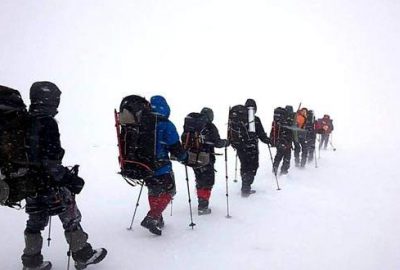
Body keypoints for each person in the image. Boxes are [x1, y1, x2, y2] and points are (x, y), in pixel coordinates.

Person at [21, 82, 106, 270]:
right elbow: (50, 162)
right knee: (70, 216)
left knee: (35, 220)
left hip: (29, 183)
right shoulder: (47, 123)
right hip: (50, 183)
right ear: (51, 100)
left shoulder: (24, 120)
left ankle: (31, 262)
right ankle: (83, 254)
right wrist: (71, 180)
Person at [140, 95, 187, 235]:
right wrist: (183, 156)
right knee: (169, 191)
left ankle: (157, 218)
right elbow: (175, 147)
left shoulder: (142, 123)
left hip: (144, 165)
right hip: (161, 166)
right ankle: (152, 217)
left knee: (154, 190)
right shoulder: (166, 124)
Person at [186, 107, 229, 215]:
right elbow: (217, 142)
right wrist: (226, 143)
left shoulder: (192, 126)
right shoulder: (210, 127)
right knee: (208, 182)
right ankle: (203, 206)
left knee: (200, 179)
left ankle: (201, 200)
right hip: (206, 158)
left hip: (192, 157)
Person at [232, 99, 270, 197]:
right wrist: (268, 141)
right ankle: (246, 187)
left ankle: (245, 185)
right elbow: (261, 134)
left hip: (240, 147)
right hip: (251, 147)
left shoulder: (237, 119)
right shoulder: (255, 119)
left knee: (244, 166)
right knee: (252, 167)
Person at [271, 106, 294, 175]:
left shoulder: (278, 120)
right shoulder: (289, 120)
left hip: (279, 141)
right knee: (287, 157)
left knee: (278, 155)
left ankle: (275, 169)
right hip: (287, 141)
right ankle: (283, 173)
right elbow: (291, 132)